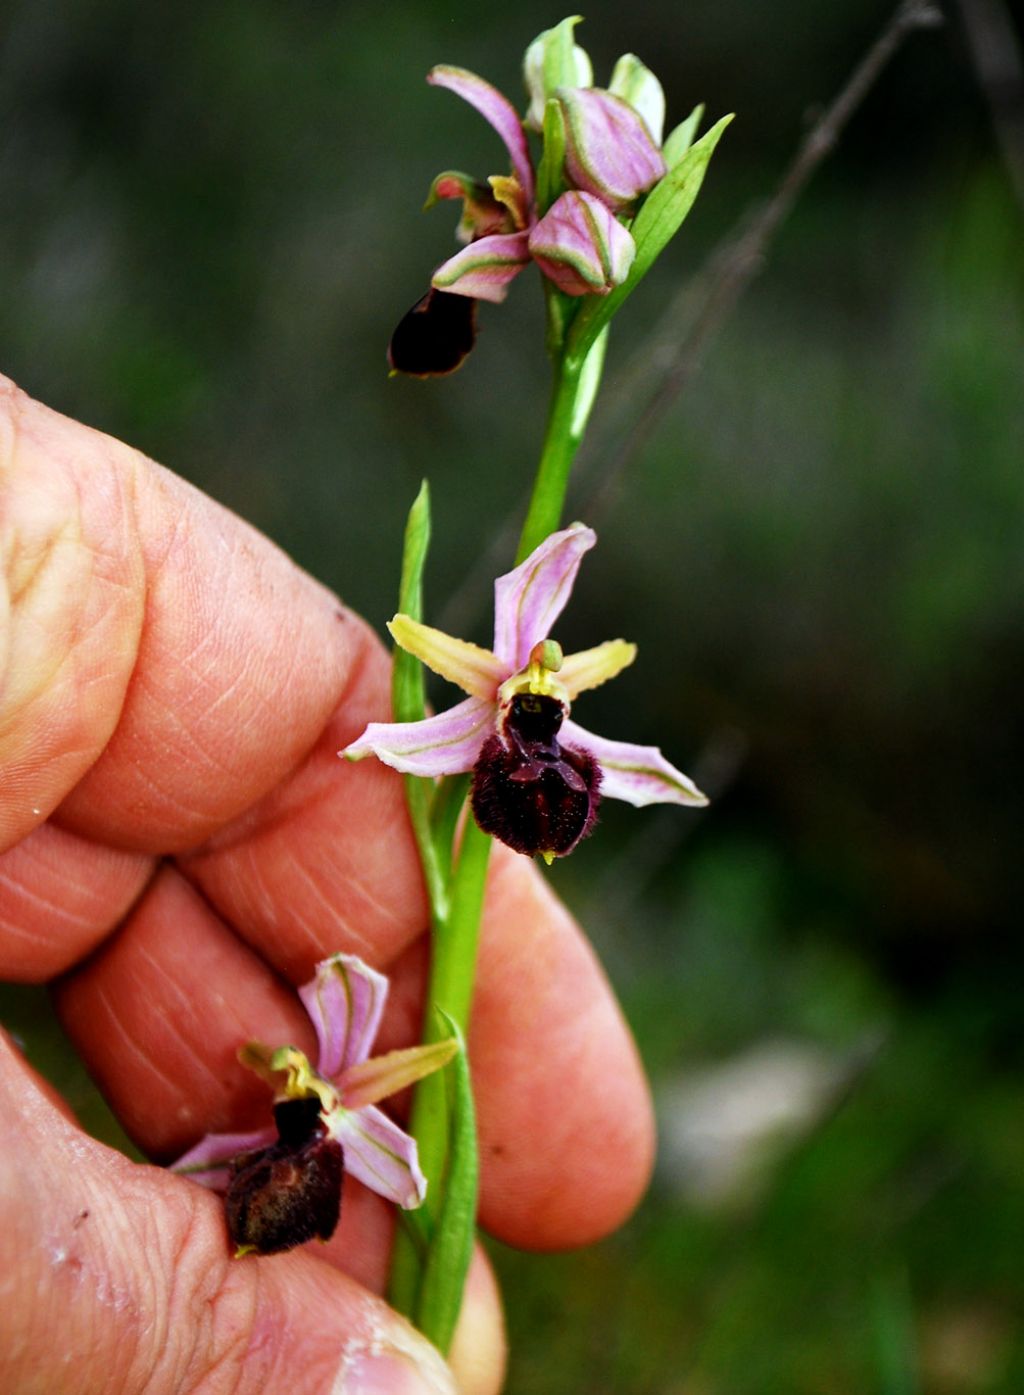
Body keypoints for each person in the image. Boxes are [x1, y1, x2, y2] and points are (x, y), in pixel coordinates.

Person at [0, 373, 655, 1395]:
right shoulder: (337, 1102)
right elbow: (402, 736)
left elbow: (603, 757)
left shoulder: (529, 721)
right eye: (524, 700)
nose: (530, 707)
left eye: (541, 703)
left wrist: (513, 739)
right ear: (494, 686)